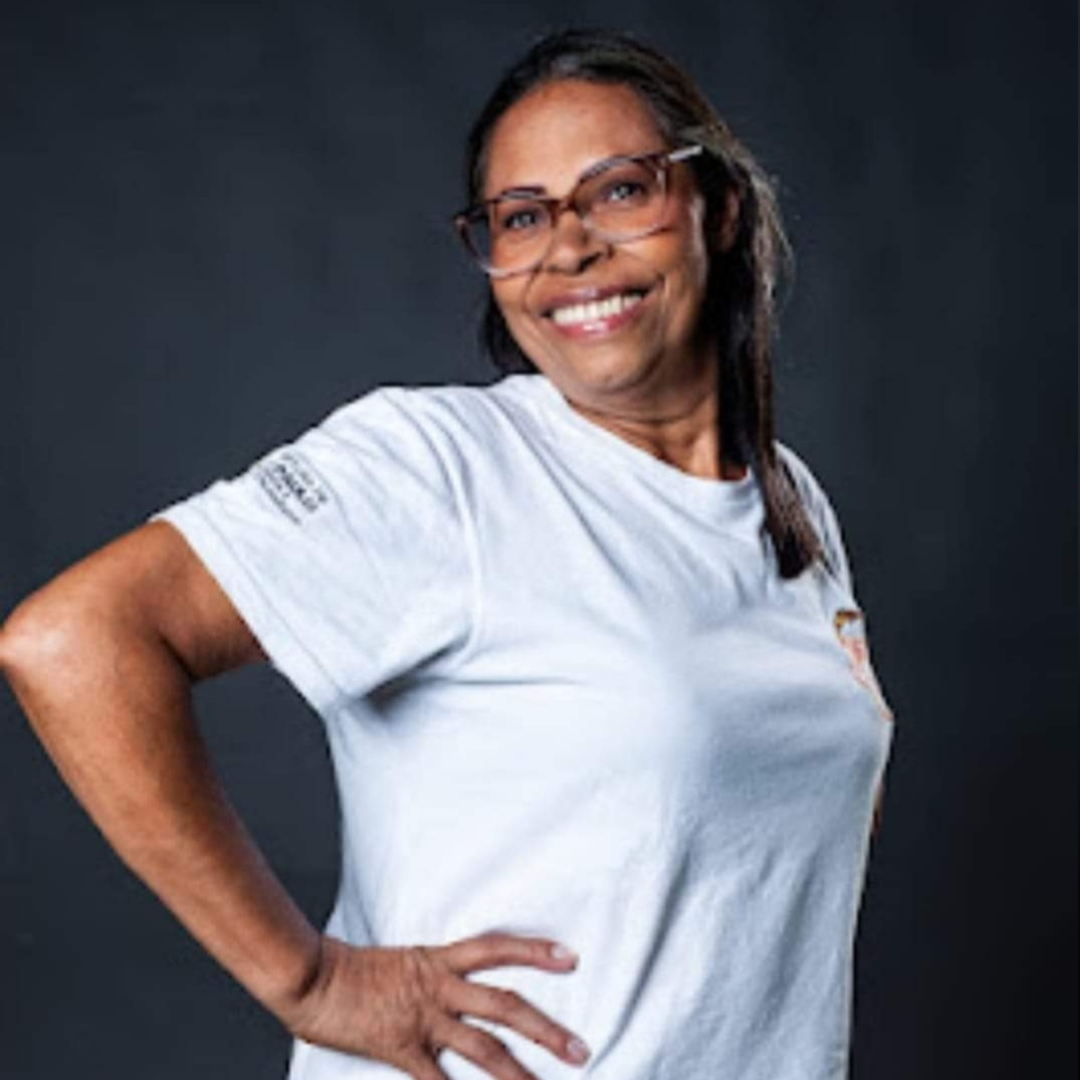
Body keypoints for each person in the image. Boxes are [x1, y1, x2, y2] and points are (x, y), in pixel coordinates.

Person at [0, 27, 894, 1080]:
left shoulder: (788, 500)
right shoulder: (445, 468)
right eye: (523, 216)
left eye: (619, 191)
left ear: (721, 207)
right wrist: (310, 982)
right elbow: (72, 640)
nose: (569, 248)